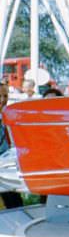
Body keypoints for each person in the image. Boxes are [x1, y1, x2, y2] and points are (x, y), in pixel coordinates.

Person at [0, 81, 22, 209]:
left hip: (7, 170)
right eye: (0, 96)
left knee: (14, 205)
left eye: (5, 96)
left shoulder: (9, 118)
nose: (3, 100)